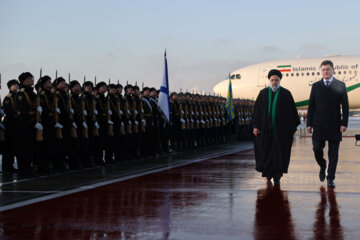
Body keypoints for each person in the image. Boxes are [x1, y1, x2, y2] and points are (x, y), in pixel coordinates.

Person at [252, 69, 300, 185]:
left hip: (280, 133)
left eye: (276, 80)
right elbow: (257, 111)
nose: (274, 82)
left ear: (280, 80)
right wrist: (255, 126)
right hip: (265, 132)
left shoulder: (286, 94)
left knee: (279, 154)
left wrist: (290, 129)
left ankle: (277, 176)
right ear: (269, 80)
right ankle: (268, 175)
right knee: (266, 153)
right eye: (272, 80)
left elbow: (292, 114)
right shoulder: (263, 93)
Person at [307, 60, 349, 188]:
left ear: (333, 70)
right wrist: (309, 124)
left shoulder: (340, 85)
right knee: (317, 149)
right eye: (323, 70)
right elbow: (311, 106)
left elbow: (345, 107)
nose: (326, 72)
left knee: (334, 154)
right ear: (321, 71)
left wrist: (344, 123)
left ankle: (330, 178)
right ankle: (322, 165)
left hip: (335, 125)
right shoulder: (316, 86)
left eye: (328, 69)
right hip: (318, 124)